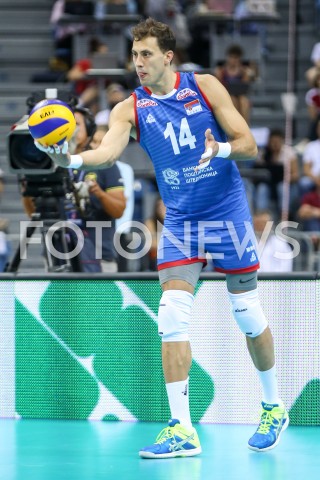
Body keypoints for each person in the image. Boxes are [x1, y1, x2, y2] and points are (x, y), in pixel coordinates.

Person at [35, 17, 289, 457]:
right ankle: (182, 430)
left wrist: (221, 149)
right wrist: (71, 160)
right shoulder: (129, 108)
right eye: (134, 55)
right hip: (182, 221)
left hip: (226, 213)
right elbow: (108, 151)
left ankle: (273, 405)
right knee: (171, 315)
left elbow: (247, 141)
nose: (138, 62)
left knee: (247, 313)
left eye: (146, 54)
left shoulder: (205, 86)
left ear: (167, 56)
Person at [253, 128, 299, 219]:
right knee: (262, 188)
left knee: (281, 187)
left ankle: (285, 216)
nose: (275, 144)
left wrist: (286, 178)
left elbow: (296, 175)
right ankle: (261, 217)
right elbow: (257, 172)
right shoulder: (263, 153)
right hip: (268, 184)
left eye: (277, 141)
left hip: (284, 184)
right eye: (272, 141)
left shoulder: (289, 152)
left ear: (282, 141)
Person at [214, 44, 257, 124]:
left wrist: (244, 73)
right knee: (232, 99)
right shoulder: (221, 71)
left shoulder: (244, 71)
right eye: (231, 57)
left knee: (244, 101)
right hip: (227, 97)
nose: (233, 60)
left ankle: (245, 126)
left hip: (240, 96)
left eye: (236, 58)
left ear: (240, 59)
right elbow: (218, 87)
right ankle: (235, 124)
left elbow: (244, 86)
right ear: (227, 58)